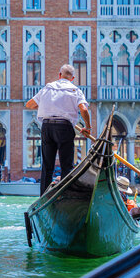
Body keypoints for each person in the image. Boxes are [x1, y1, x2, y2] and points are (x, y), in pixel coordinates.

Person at [25, 64, 91, 195]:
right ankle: (65, 195)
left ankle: (43, 196)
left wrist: (47, 106)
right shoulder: (75, 90)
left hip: (47, 127)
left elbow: (29, 104)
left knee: (47, 166)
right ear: (72, 78)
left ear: (59, 75)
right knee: (66, 165)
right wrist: (88, 127)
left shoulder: (47, 88)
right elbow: (83, 109)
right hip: (64, 128)